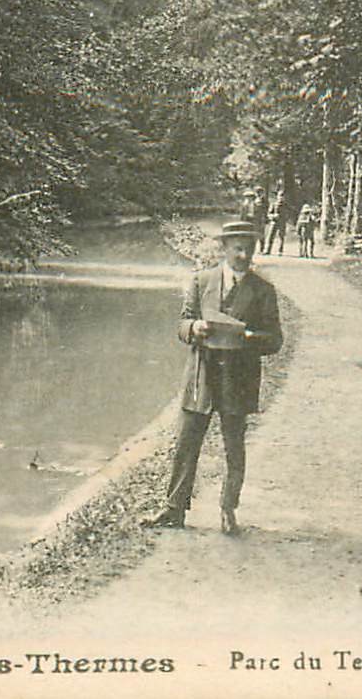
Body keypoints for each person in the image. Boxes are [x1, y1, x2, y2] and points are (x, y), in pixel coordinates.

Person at [143, 220, 283, 535]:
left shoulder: (263, 290)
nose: (244, 255)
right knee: (186, 443)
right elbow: (183, 323)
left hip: (239, 377)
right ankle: (174, 509)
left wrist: (246, 336)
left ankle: (228, 510)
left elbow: (275, 340)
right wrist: (194, 329)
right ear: (224, 248)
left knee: (234, 446)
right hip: (202, 376)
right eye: (238, 248)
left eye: (249, 249)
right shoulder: (201, 281)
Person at [265, 188, 289, 255]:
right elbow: (269, 214)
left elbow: (288, 214)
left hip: (282, 222)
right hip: (274, 222)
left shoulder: (286, 205)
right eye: (280, 196)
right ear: (277, 196)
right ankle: (268, 250)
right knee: (270, 236)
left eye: (282, 196)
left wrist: (285, 217)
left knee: (281, 237)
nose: (281, 197)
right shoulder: (273, 204)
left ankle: (280, 251)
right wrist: (273, 216)